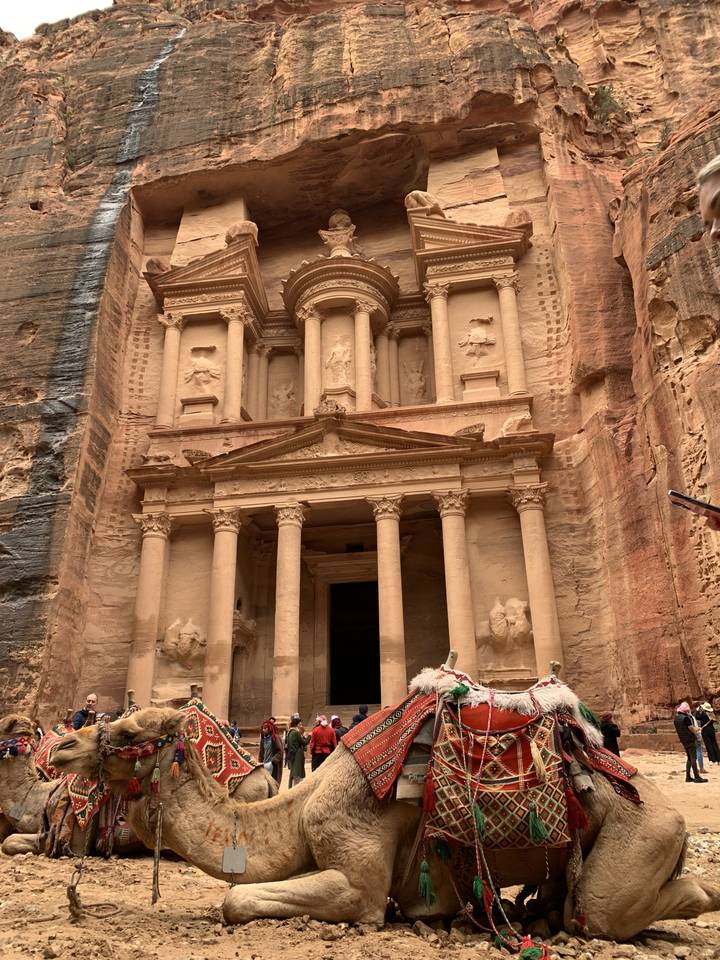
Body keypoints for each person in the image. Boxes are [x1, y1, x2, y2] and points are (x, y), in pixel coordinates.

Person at [674, 701, 707, 783]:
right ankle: (696, 777)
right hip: (690, 739)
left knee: (689, 757)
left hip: (683, 740)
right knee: (693, 758)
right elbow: (692, 729)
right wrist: (698, 729)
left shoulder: (676, 718)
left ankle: (688, 777)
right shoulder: (686, 718)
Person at [286, 716, 310, 788]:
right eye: (300, 724)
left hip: (292, 754)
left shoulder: (290, 732)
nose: (301, 725)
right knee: (298, 773)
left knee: (294, 772)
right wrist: (308, 737)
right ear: (297, 724)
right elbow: (304, 742)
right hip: (297, 754)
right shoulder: (296, 733)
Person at [259, 717, 284, 785]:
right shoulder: (263, 739)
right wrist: (260, 763)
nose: (263, 730)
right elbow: (261, 753)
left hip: (273, 765)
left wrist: (273, 761)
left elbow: (280, 751)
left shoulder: (275, 738)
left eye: (265, 728)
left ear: (269, 728)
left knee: (273, 783)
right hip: (264, 764)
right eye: (263, 728)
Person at [692, 707, 707, 773]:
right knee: (698, 751)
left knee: (692, 753)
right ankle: (701, 768)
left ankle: (694, 768)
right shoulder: (697, 718)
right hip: (697, 736)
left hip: (690, 737)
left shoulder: (689, 717)